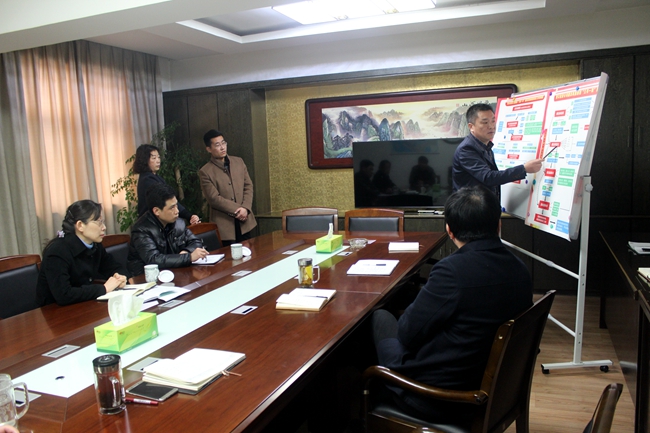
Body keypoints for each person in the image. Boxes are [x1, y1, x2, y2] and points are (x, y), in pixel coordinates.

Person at [371, 185, 532, 424]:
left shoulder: (451, 272)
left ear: (449, 230)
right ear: (498, 225)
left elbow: (407, 334)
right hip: (495, 388)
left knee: (380, 317)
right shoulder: (520, 269)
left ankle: (362, 403)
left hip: (442, 397)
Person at [36, 200, 128, 306]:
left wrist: (120, 277)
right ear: (80, 225)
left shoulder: (94, 245)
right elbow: (64, 295)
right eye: (99, 222)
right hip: (54, 311)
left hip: (83, 305)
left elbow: (112, 266)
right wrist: (103, 288)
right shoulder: (57, 251)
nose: (104, 227)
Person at [452, 103, 543, 200]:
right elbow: (488, 177)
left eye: (493, 121)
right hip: (471, 206)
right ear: (471, 127)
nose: (491, 126)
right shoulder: (467, 149)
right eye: (485, 122)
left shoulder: (485, 146)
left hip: (485, 204)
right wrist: (523, 169)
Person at [127, 183, 208, 277]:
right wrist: (188, 257)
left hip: (174, 273)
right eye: (172, 208)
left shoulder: (178, 223)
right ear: (156, 211)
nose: (177, 211)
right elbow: (154, 259)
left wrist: (185, 253)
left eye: (176, 205)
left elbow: (196, 241)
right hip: (146, 279)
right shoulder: (141, 230)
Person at [199, 130, 257, 246]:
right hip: (224, 225)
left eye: (223, 143)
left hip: (245, 222)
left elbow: (248, 186)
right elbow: (214, 199)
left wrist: (245, 208)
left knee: (250, 253)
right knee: (229, 256)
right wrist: (239, 210)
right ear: (209, 149)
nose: (222, 147)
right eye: (217, 145)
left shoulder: (238, 162)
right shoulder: (205, 171)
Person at [133, 144, 200, 225]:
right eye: (154, 158)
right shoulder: (147, 180)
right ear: (144, 160)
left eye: (158, 157)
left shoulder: (155, 177)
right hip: (151, 225)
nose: (158, 161)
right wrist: (188, 216)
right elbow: (167, 200)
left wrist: (189, 216)